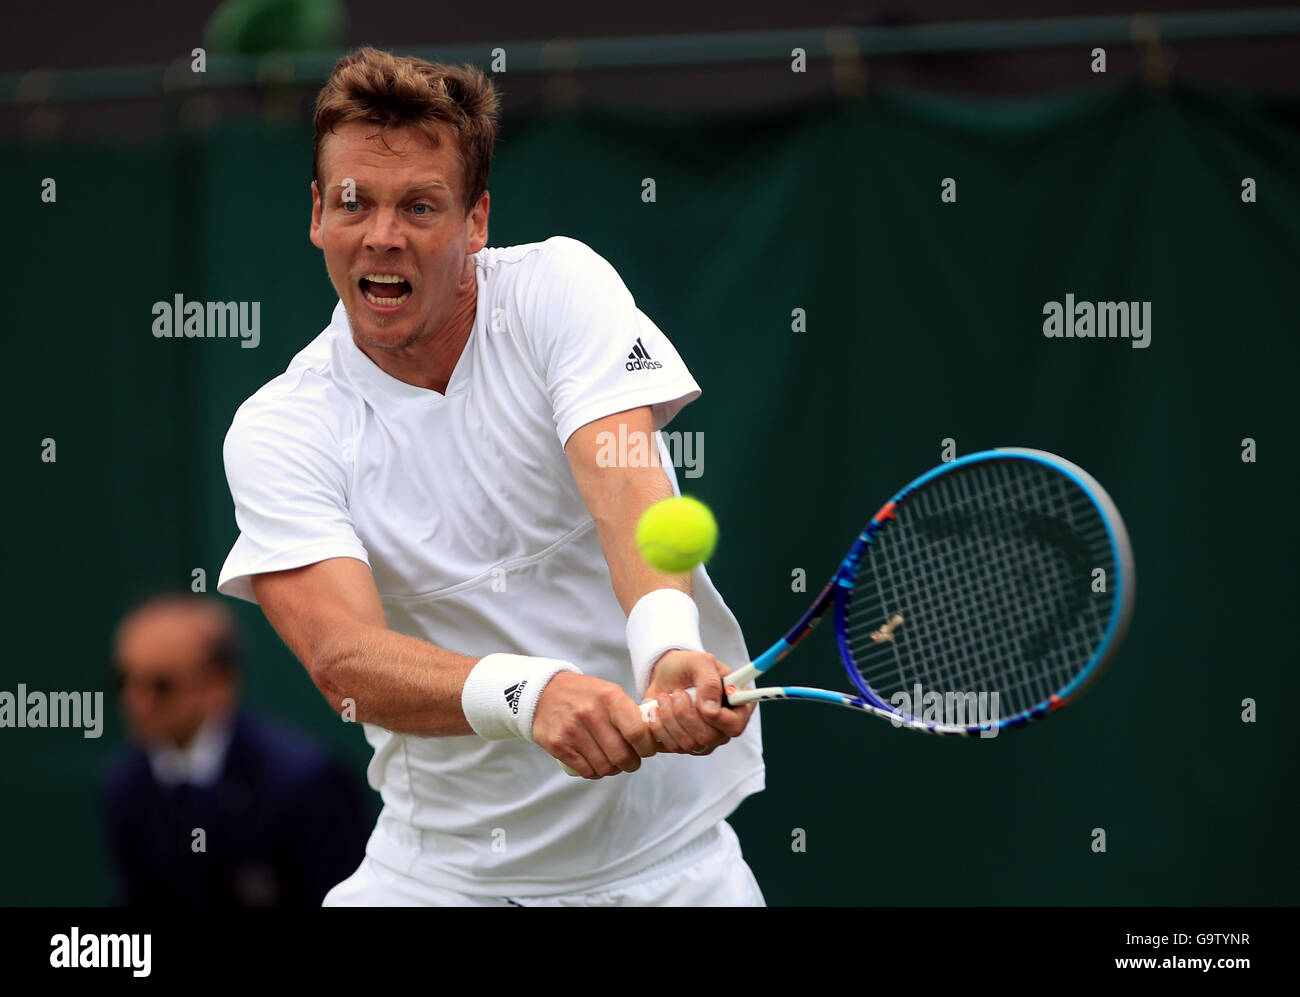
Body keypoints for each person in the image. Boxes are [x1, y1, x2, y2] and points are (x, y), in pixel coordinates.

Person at [216, 47, 765, 906]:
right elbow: (343, 658)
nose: (384, 233)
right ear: (319, 214)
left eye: (421, 205)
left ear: (476, 221)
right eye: (355, 202)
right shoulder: (280, 427)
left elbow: (621, 475)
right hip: (438, 877)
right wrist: (529, 691)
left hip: (670, 869)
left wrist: (664, 645)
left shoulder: (559, 289)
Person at [99, 593, 370, 906]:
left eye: (161, 685)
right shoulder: (125, 784)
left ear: (219, 684)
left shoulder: (304, 782)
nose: (137, 703)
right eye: (122, 681)